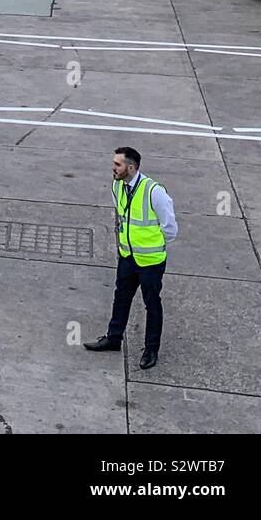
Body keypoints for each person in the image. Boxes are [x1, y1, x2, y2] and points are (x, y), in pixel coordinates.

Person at [84, 147, 178, 370]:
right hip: (127, 256)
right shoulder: (117, 185)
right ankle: (113, 338)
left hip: (151, 261)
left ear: (131, 167)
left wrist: (152, 245)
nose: (113, 168)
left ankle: (151, 349)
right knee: (121, 298)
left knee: (152, 304)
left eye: (117, 164)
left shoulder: (154, 191)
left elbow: (170, 227)